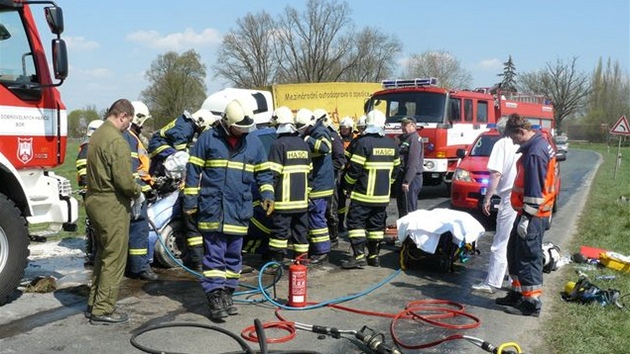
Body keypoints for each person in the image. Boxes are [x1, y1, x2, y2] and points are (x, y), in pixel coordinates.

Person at [183, 99, 274, 321]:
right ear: (226, 123)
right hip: (213, 207)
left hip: (239, 209)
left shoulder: (253, 143)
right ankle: (214, 298)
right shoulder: (208, 139)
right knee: (214, 255)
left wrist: (268, 194)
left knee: (234, 257)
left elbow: (263, 172)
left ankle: (227, 294)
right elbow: (193, 170)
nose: (243, 131)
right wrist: (190, 201)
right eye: (239, 127)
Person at [84, 99, 143, 324]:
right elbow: (124, 181)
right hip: (111, 204)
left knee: (102, 254)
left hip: (94, 200)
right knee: (115, 258)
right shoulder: (117, 141)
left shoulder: (97, 135)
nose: (128, 125)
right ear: (123, 116)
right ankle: (103, 309)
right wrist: (137, 192)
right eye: (128, 121)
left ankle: (94, 303)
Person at [495, 113, 556, 317]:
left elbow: (535, 191)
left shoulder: (535, 153)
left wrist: (527, 218)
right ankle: (517, 292)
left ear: (521, 132)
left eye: (513, 138)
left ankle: (532, 302)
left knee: (528, 256)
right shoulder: (537, 146)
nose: (512, 142)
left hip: (533, 214)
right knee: (514, 251)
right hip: (526, 212)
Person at [340, 110, 400, 269]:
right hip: (382, 197)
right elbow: (396, 170)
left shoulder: (363, 143)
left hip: (363, 195)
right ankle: (374, 257)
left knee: (355, 224)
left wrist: (346, 184)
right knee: (376, 227)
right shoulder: (392, 144)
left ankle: (359, 256)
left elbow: (354, 170)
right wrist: (388, 184)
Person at [472, 119, 520, 294]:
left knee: (500, 241)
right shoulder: (521, 144)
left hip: (508, 197)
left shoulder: (502, 144)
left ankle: (492, 282)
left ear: (501, 130)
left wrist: (487, 197)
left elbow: (496, 174)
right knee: (514, 240)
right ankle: (512, 276)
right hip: (521, 196)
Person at [263, 106, 312, 269]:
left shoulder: (278, 145)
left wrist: (268, 196)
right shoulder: (304, 145)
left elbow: (273, 175)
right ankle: (302, 262)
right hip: (302, 202)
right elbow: (309, 173)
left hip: (283, 202)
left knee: (279, 234)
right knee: (301, 233)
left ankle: (276, 263)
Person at [121, 101, 158, 281]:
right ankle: (140, 268)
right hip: (135, 194)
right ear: (139, 119)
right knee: (139, 230)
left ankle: (132, 266)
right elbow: (133, 170)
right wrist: (140, 193)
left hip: (133, 192)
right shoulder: (129, 138)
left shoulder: (128, 137)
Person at [295, 108, 334, 264]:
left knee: (317, 218)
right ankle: (318, 248)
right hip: (319, 182)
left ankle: (322, 251)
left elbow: (325, 147)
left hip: (320, 184)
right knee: (314, 218)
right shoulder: (313, 131)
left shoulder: (319, 132)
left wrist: (307, 140)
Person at [147, 109, 212, 178]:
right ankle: (169, 176)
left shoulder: (186, 123)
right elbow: (180, 149)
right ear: (201, 122)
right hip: (159, 145)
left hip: (159, 143)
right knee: (182, 158)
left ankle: (155, 176)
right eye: (203, 128)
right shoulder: (186, 129)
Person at [314, 109, 346, 248]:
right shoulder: (320, 135)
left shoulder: (333, 136)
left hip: (331, 177)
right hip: (320, 178)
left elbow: (340, 159)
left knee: (331, 208)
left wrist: (328, 171)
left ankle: (334, 237)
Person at [76, 119, 104, 266]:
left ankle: (93, 251)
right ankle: (93, 253)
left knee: (93, 221)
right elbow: (83, 168)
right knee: (94, 222)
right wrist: (89, 186)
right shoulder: (88, 147)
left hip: (89, 189)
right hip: (90, 190)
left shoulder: (89, 146)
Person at [395, 117, 424, 218]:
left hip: (411, 178)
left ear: (413, 126)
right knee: (402, 207)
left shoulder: (414, 139)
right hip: (402, 175)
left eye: (405, 125)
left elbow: (413, 162)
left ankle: (411, 232)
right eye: (402, 125)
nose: (403, 127)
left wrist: (407, 181)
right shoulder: (402, 138)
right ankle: (403, 231)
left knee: (409, 209)